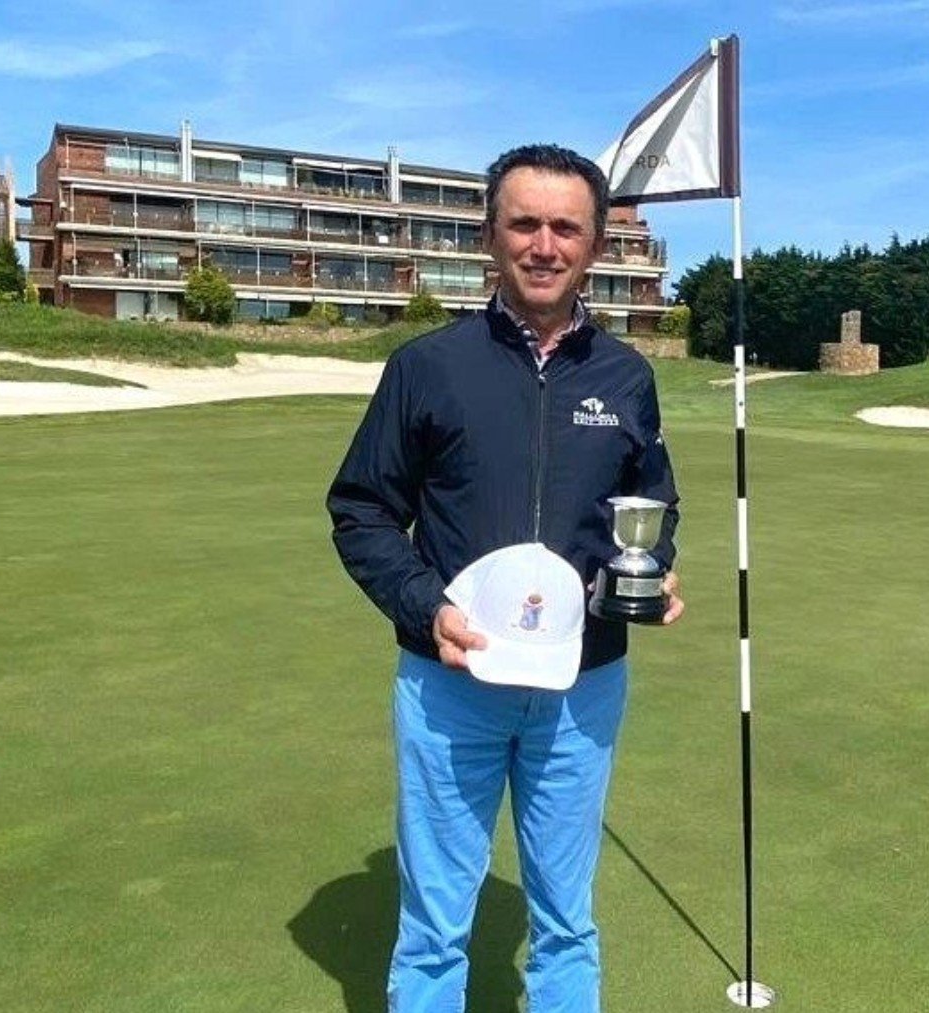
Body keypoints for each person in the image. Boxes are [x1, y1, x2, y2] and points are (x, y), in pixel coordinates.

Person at [327, 143, 682, 1012]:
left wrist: (649, 574)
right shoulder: (429, 365)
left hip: (582, 687)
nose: (544, 245)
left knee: (566, 920)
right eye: (524, 223)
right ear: (490, 235)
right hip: (452, 685)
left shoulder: (626, 377)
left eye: (567, 227)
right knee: (435, 929)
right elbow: (362, 509)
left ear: (596, 245)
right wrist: (424, 606)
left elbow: (652, 509)